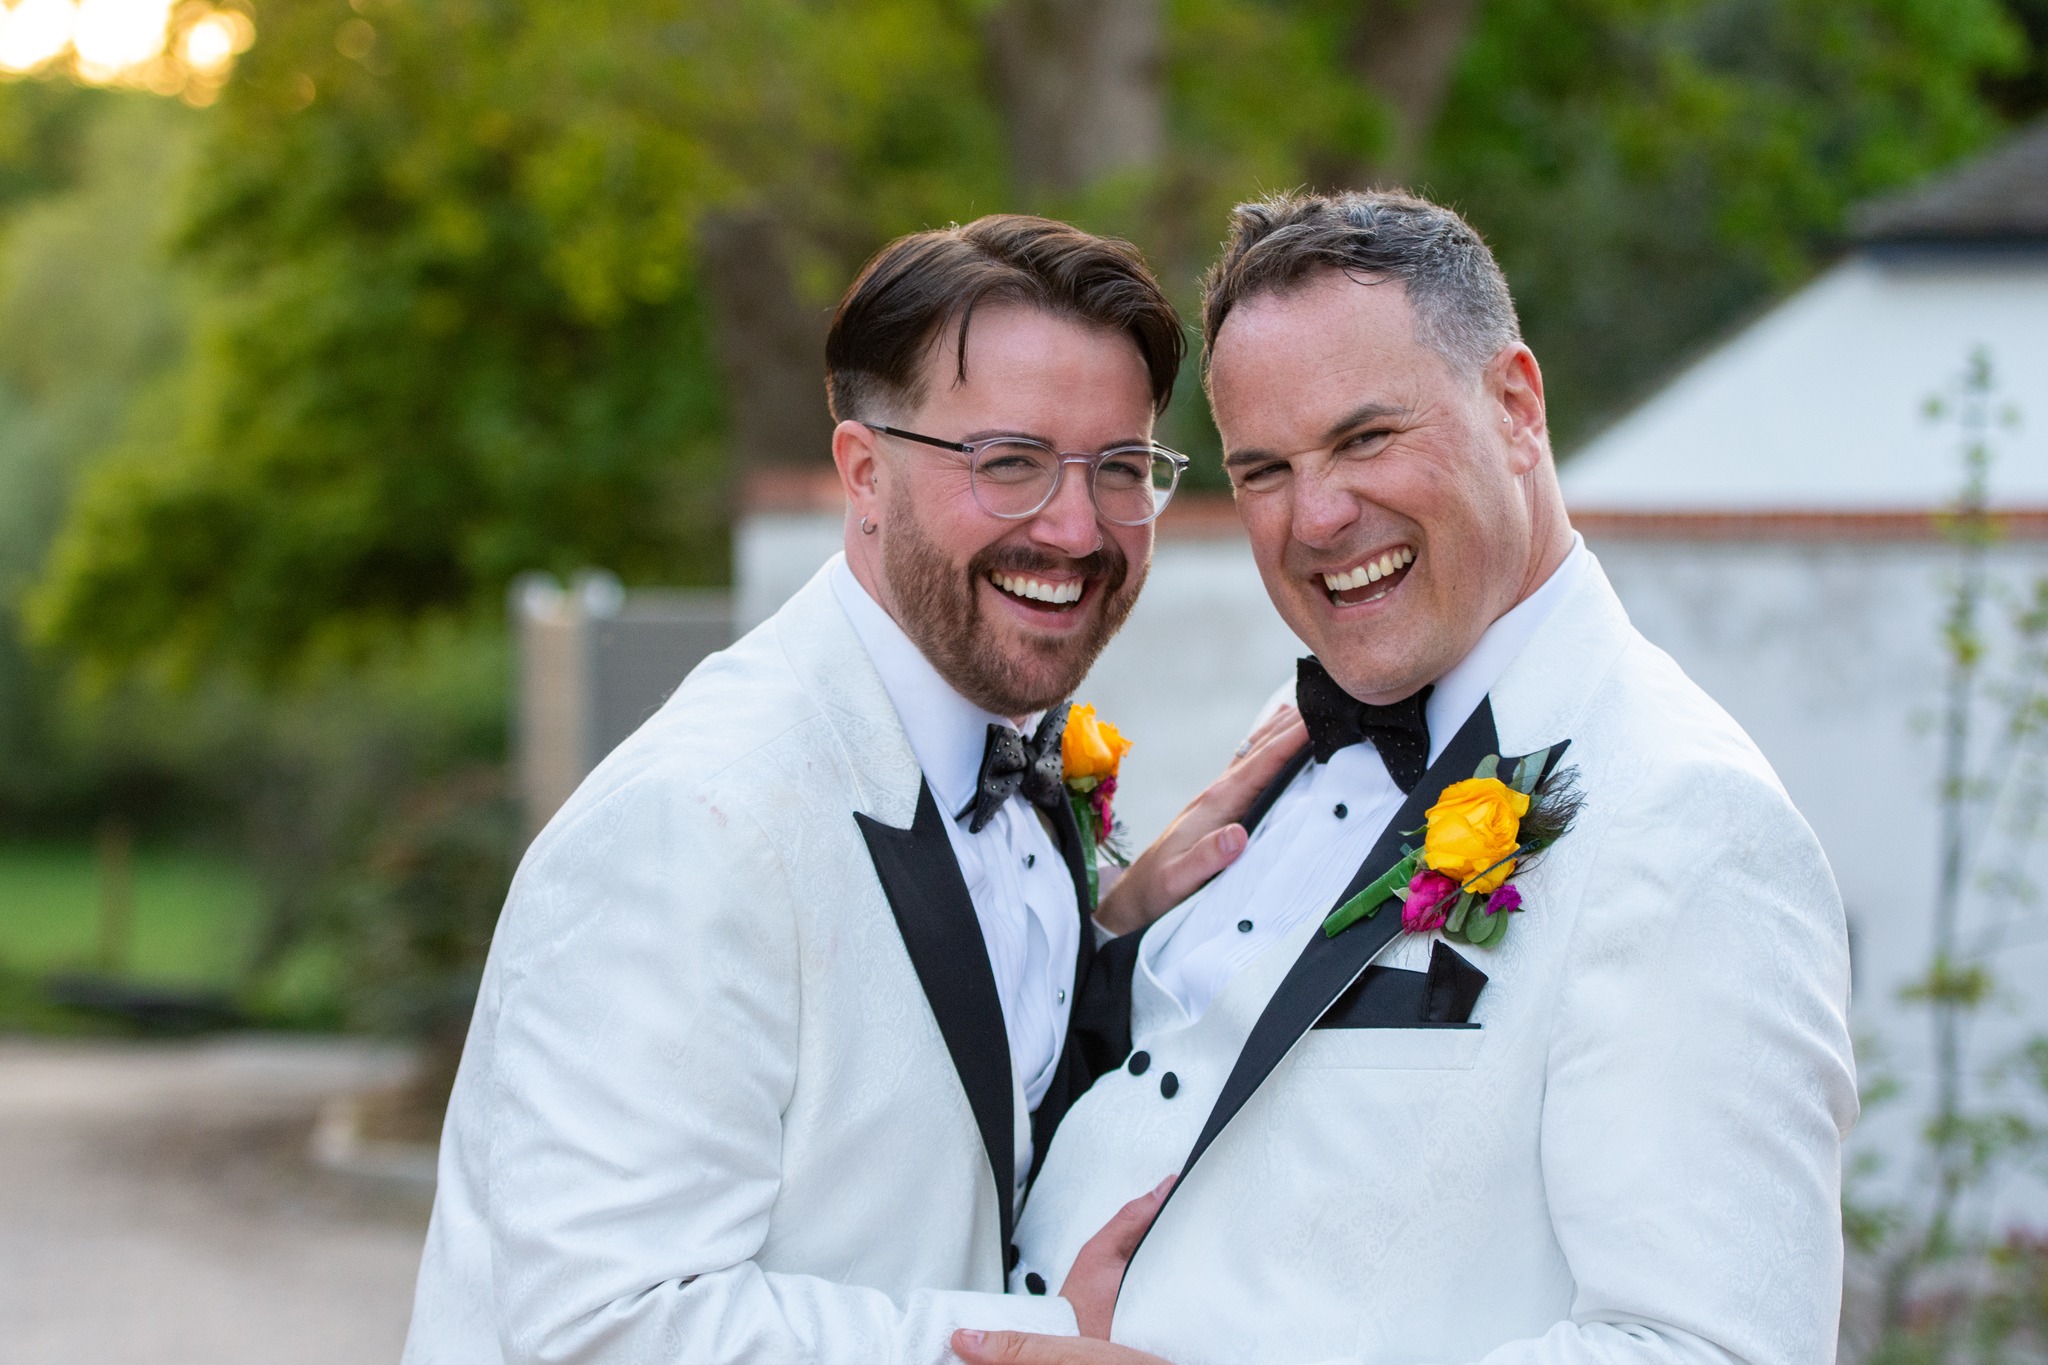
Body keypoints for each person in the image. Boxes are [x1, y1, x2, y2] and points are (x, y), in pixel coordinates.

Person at [957, 190, 1859, 1365]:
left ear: (1515, 407)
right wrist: (1109, 938)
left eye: (1366, 438)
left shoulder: (1686, 817)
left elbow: (1715, 1352)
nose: (1316, 516)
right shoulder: (1283, 755)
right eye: (1264, 469)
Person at [401, 214, 1300, 1365]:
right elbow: (596, 1327)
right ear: (863, 475)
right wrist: (1034, 1344)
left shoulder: (1005, 765)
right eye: (1008, 463)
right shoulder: (692, 823)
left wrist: (1111, 936)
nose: (1076, 529)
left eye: (1119, 470)